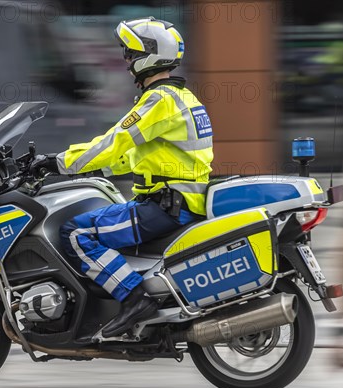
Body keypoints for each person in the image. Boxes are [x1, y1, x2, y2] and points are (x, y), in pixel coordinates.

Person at [31, 17, 214, 337]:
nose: (127, 62)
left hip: (163, 206)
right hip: (181, 200)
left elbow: (113, 143)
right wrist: (85, 168)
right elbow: (130, 157)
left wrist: (57, 163)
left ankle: (134, 299)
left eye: (130, 54)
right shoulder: (183, 98)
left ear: (150, 54)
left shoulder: (159, 101)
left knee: (75, 233)